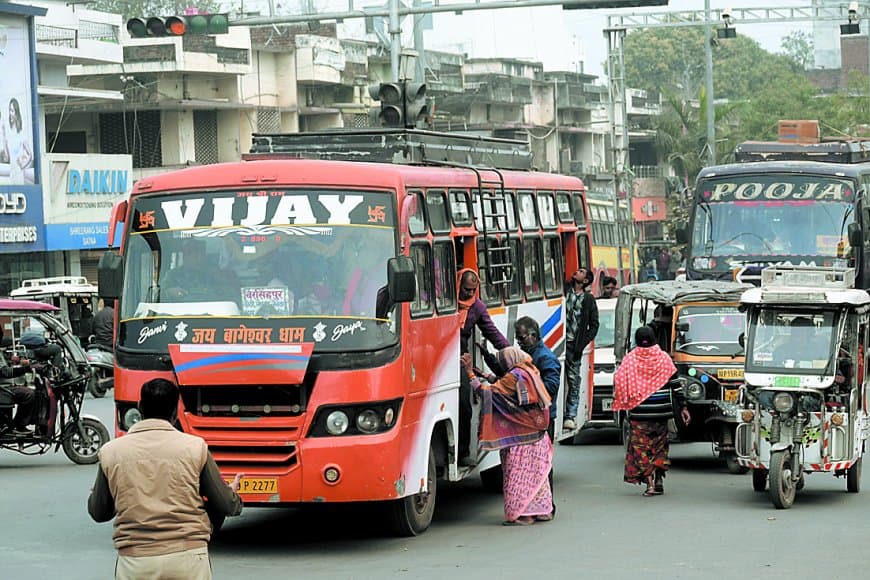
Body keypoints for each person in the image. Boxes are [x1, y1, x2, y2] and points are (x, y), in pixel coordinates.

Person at [88, 378, 243, 580]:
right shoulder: (195, 448)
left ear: (140, 407)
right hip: (188, 559)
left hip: (136, 562)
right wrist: (232, 494)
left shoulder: (111, 452)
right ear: (175, 411)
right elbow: (225, 505)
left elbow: (99, 512)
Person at [461, 346, 552, 525]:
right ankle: (542, 510)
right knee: (536, 476)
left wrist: (470, 374)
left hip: (521, 438)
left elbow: (487, 392)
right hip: (538, 435)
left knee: (518, 475)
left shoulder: (514, 377)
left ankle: (522, 514)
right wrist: (485, 375)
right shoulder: (529, 370)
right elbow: (506, 386)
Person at [613, 326, 689, 497]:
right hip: (661, 414)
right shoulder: (663, 358)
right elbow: (676, 385)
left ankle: (650, 484)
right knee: (659, 446)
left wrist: (624, 405)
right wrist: (683, 407)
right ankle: (659, 478)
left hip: (639, 414)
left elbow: (620, 383)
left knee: (642, 449)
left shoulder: (630, 360)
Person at [457, 267, 510, 465]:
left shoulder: (477, 307)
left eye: (473, 290)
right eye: (466, 289)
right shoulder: (445, 301)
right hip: (436, 355)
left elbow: (492, 333)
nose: (469, 294)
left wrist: (511, 354)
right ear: (458, 285)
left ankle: (463, 453)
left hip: (460, 358)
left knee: (464, 404)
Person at [515, 315, 560, 521]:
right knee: (532, 465)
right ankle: (538, 506)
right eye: (518, 339)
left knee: (543, 465)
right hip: (531, 417)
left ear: (534, 336)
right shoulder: (528, 357)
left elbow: (551, 387)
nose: (521, 343)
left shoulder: (545, 358)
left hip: (542, 417)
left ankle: (547, 507)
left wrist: (527, 387)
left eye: (522, 339)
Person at [563, 267, 599, 430]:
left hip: (574, 345)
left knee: (573, 379)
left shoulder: (588, 299)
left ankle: (570, 415)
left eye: (581, 272)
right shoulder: (565, 292)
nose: (576, 272)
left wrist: (582, 342)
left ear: (585, 281)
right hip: (561, 340)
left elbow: (594, 325)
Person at [0, 351, 34, 435]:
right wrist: (27, 368)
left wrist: (18, 360)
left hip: (6, 386)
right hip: (3, 388)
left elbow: (6, 361)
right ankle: (19, 425)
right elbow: (6, 372)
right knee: (29, 394)